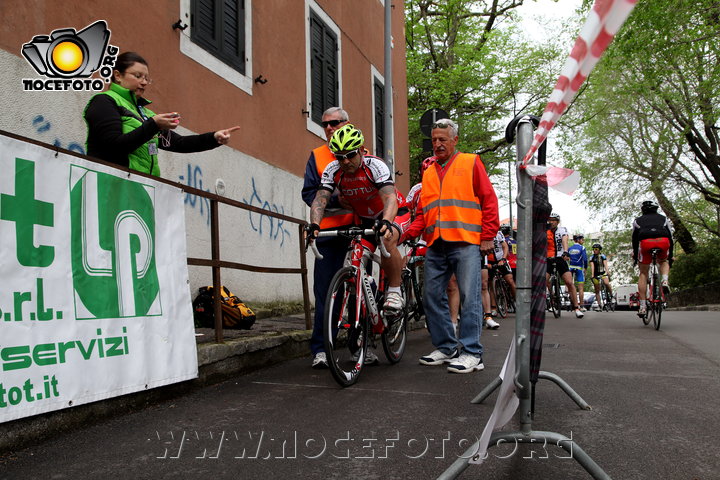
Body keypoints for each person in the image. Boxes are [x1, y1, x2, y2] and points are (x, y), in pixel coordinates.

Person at [414, 118, 499, 374]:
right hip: (436, 243)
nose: (437, 144)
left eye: (443, 140)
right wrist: (406, 232)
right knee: (430, 295)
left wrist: (488, 235)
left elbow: (489, 199)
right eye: (434, 140)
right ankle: (447, 347)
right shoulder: (428, 172)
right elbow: (422, 212)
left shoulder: (470, 162)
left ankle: (472, 352)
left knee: (470, 297)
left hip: (466, 241)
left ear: (455, 141)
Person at [306, 123, 405, 322]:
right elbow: (320, 199)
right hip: (367, 219)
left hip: (394, 212)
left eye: (350, 155)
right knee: (355, 257)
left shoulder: (374, 166)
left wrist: (386, 221)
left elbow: (389, 198)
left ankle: (394, 290)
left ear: (360, 150)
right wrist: (315, 225)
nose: (345, 161)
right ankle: (370, 300)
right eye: (340, 157)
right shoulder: (333, 169)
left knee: (386, 239)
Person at [84, 52, 239, 176]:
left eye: (146, 78)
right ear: (118, 76)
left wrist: (214, 138)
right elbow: (112, 146)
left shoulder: (146, 114)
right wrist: (153, 125)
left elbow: (179, 143)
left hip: (141, 188)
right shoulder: (104, 101)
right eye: (138, 76)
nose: (144, 82)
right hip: (111, 184)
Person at [301, 107, 357, 369]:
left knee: (358, 291)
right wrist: (338, 200)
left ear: (347, 123)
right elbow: (309, 193)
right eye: (325, 124)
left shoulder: (363, 152)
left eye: (335, 122)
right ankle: (322, 349)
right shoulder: (317, 156)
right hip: (328, 232)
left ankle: (360, 346)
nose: (329, 127)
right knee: (325, 293)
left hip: (358, 231)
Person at [632, 200, 674, 318]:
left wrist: (636, 256)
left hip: (645, 243)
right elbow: (670, 237)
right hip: (663, 241)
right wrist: (670, 256)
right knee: (664, 261)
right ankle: (664, 280)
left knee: (643, 273)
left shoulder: (637, 221)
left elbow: (634, 240)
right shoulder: (663, 218)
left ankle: (643, 306)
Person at [546, 213, 584, 318]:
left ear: (557, 222)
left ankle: (576, 308)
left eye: (554, 220)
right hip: (548, 258)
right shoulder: (545, 231)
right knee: (544, 280)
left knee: (569, 282)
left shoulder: (562, 230)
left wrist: (566, 251)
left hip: (560, 257)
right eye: (550, 220)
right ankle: (552, 295)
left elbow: (564, 240)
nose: (551, 222)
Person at [589, 243, 613, 310]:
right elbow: (592, 266)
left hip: (603, 273)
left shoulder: (602, 256)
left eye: (596, 249)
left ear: (599, 250)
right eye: (593, 249)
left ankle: (611, 295)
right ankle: (599, 305)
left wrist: (608, 272)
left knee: (606, 283)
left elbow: (605, 265)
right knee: (597, 290)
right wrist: (592, 275)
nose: (594, 250)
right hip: (596, 274)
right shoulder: (592, 257)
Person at [567, 234, 588, 311]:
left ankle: (573, 305)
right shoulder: (582, 248)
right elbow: (585, 259)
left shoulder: (570, 248)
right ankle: (581, 306)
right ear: (578, 240)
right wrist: (585, 268)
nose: (583, 241)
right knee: (581, 288)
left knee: (571, 287)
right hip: (579, 268)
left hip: (571, 268)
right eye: (582, 239)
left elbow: (567, 258)